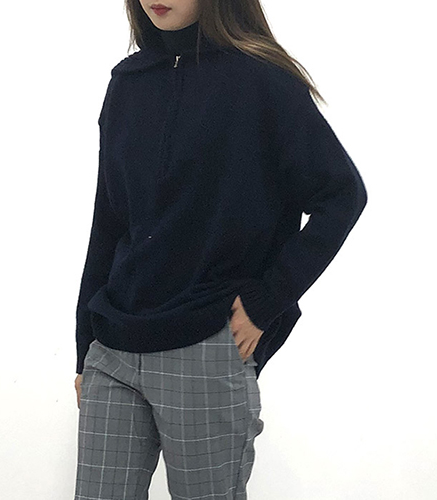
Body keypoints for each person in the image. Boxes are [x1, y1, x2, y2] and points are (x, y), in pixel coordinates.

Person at [73, 1, 368, 498]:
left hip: (204, 344)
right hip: (114, 347)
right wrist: (85, 345)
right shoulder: (127, 84)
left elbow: (342, 195)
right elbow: (109, 223)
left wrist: (266, 300)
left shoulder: (263, 82)